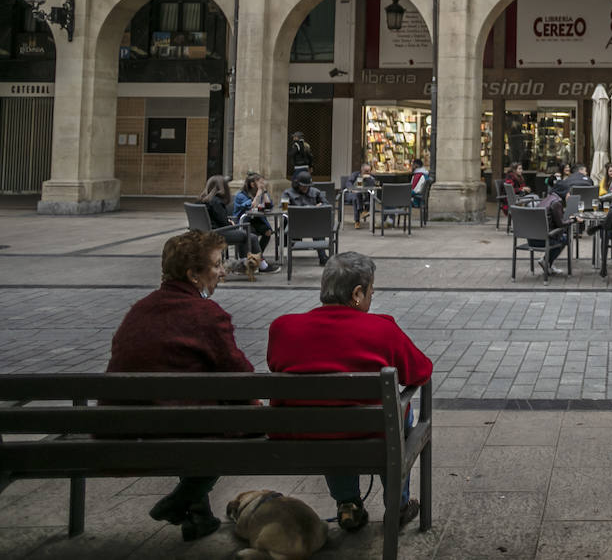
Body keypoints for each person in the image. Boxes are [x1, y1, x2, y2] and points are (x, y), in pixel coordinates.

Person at [267, 253, 430, 532]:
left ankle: (347, 503)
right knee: (398, 410)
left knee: (328, 415)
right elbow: (421, 372)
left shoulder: (283, 328)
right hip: (371, 435)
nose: (371, 298)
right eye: (370, 293)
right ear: (357, 293)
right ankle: (398, 505)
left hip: (305, 435)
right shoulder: (382, 329)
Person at [107, 230, 252, 542]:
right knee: (235, 422)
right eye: (216, 264)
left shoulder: (140, 309)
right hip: (179, 426)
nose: (223, 271)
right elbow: (241, 374)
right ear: (193, 275)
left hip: (124, 428)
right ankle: (181, 501)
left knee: (190, 413)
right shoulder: (206, 315)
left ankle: (199, 516)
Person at [198, 174, 258, 260]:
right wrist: (230, 223)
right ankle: (259, 265)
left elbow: (215, 218)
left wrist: (228, 221)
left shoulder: (200, 200)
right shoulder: (216, 202)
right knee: (250, 236)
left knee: (243, 234)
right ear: (224, 188)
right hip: (217, 233)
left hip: (203, 233)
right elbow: (224, 223)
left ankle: (244, 262)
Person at [231, 172, 278, 266]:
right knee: (252, 235)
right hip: (244, 221)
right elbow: (251, 207)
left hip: (257, 220)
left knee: (268, 231)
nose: (263, 184)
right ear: (252, 184)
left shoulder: (261, 193)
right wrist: (258, 194)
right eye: (261, 183)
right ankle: (258, 260)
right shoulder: (240, 195)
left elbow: (269, 205)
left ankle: (257, 257)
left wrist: (264, 192)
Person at [532, 186, 571, 277]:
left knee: (559, 235)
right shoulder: (556, 202)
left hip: (532, 238)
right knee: (564, 238)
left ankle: (547, 263)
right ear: (564, 192)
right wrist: (573, 220)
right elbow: (561, 224)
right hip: (543, 239)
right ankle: (547, 261)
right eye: (569, 193)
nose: (569, 195)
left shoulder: (547, 199)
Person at [348, 162, 376, 227]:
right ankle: (357, 220)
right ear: (362, 170)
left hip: (365, 195)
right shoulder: (355, 175)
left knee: (372, 194)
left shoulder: (371, 177)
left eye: (369, 171)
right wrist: (352, 189)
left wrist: (370, 179)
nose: (367, 173)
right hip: (353, 194)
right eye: (366, 171)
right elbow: (349, 183)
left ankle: (365, 211)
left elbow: (374, 186)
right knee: (356, 196)